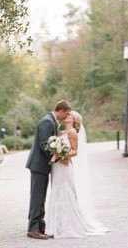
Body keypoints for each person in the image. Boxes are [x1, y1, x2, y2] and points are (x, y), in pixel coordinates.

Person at [46, 110, 110, 239]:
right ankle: (57, 225)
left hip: (65, 166)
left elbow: (75, 152)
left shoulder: (73, 133)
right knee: (56, 191)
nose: (66, 115)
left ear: (73, 120)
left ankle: (67, 225)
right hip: (57, 167)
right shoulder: (61, 132)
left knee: (65, 192)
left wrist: (60, 153)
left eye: (69, 115)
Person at [25, 100, 72, 240]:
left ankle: (40, 226)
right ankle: (33, 229)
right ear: (61, 111)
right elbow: (45, 144)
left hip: (42, 166)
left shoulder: (51, 121)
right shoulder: (48, 122)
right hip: (39, 165)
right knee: (37, 197)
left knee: (40, 197)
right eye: (67, 113)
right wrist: (57, 155)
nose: (67, 116)